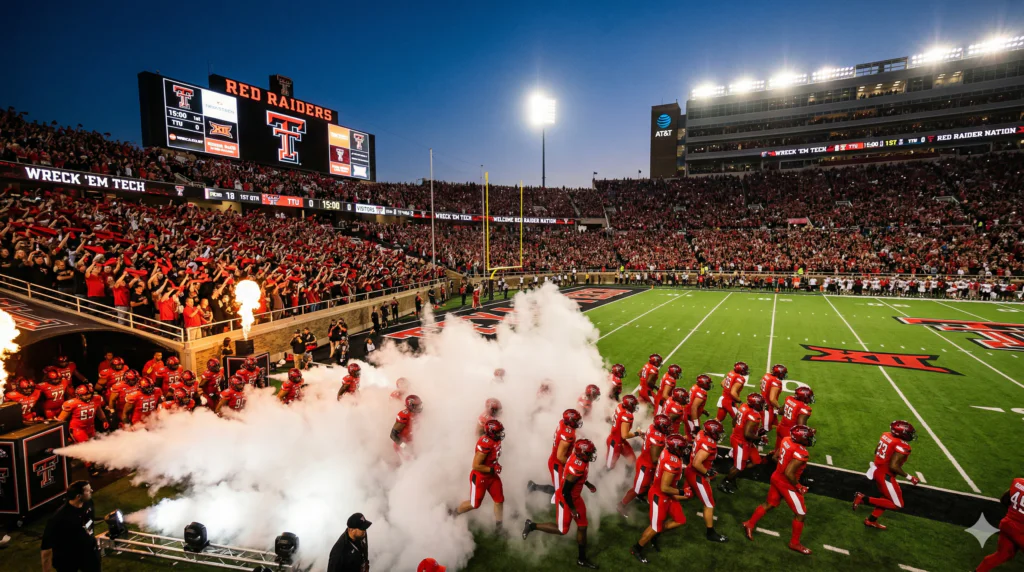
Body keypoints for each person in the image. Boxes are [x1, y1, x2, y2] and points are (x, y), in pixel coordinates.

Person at [523, 439, 600, 569]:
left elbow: (578, 478)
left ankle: (581, 559)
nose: (591, 455)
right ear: (581, 454)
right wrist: (572, 509)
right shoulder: (578, 466)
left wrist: (587, 483)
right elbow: (565, 492)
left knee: (582, 526)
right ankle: (531, 525)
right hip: (566, 499)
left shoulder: (579, 459)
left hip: (575, 497)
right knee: (562, 530)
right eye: (589, 453)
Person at [743, 425, 817, 555]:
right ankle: (794, 543)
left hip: (776, 477)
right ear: (800, 439)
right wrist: (799, 486)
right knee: (801, 514)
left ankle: (749, 523)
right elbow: (789, 473)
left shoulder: (787, 439)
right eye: (808, 438)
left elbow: (775, 458)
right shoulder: (802, 453)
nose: (810, 440)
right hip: (787, 485)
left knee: (769, 504)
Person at [630, 433, 690, 563]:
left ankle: (655, 535)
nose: (684, 451)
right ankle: (637, 548)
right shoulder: (672, 463)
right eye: (681, 448)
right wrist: (682, 492)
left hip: (666, 494)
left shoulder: (666, 451)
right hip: (660, 495)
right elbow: (665, 487)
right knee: (655, 527)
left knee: (680, 520)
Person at [853, 420, 921, 529]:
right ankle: (863, 498)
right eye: (908, 433)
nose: (910, 435)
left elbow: (876, 451)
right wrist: (910, 477)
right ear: (901, 433)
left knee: (886, 498)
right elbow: (893, 466)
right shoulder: (903, 446)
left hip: (876, 469)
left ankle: (871, 521)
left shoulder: (886, 435)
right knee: (898, 504)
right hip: (885, 475)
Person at [451, 419, 506, 530]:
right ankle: (454, 512)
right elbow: (476, 465)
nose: (500, 434)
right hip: (480, 477)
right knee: (474, 504)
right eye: (498, 432)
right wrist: (492, 469)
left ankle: (499, 527)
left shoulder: (495, 440)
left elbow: (492, 458)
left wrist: (495, 466)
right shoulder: (485, 443)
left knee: (499, 500)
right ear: (491, 433)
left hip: (491, 476)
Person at [40, 481, 100, 572]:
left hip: (89, 552)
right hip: (67, 559)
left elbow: (89, 522)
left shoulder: (88, 503)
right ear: (78, 496)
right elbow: (46, 548)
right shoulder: (59, 518)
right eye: (88, 491)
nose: (92, 490)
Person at [719, 393, 768, 494]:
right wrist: (760, 438)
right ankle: (726, 482)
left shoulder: (744, 406)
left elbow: (734, 420)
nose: (762, 405)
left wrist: (737, 431)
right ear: (755, 405)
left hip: (741, 439)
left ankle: (735, 472)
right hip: (742, 442)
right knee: (738, 467)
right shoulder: (754, 415)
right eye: (760, 404)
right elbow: (747, 434)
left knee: (756, 460)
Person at [975, 477, 1024, 571]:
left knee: (1002, 555)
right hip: (1021, 532)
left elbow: (1004, 500)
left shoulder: (1018, 482)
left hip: (1007, 525)